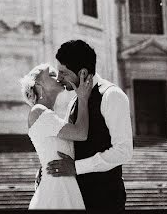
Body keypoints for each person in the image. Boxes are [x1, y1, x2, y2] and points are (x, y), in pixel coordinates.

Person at [45, 39, 134, 211]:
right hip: (77, 197)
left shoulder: (112, 96)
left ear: (83, 72)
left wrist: (77, 167)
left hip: (105, 198)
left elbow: (124, 151)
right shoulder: (74, 102)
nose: (59, 79)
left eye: (63, 73)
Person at [20, 63, 94, 209]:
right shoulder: (38, 111)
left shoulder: (51, 116)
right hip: (55, 190)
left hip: (67, 186)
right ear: (39, 85)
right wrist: (83, 99)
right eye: (52, 75)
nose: (59, 77)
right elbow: (81, 133)